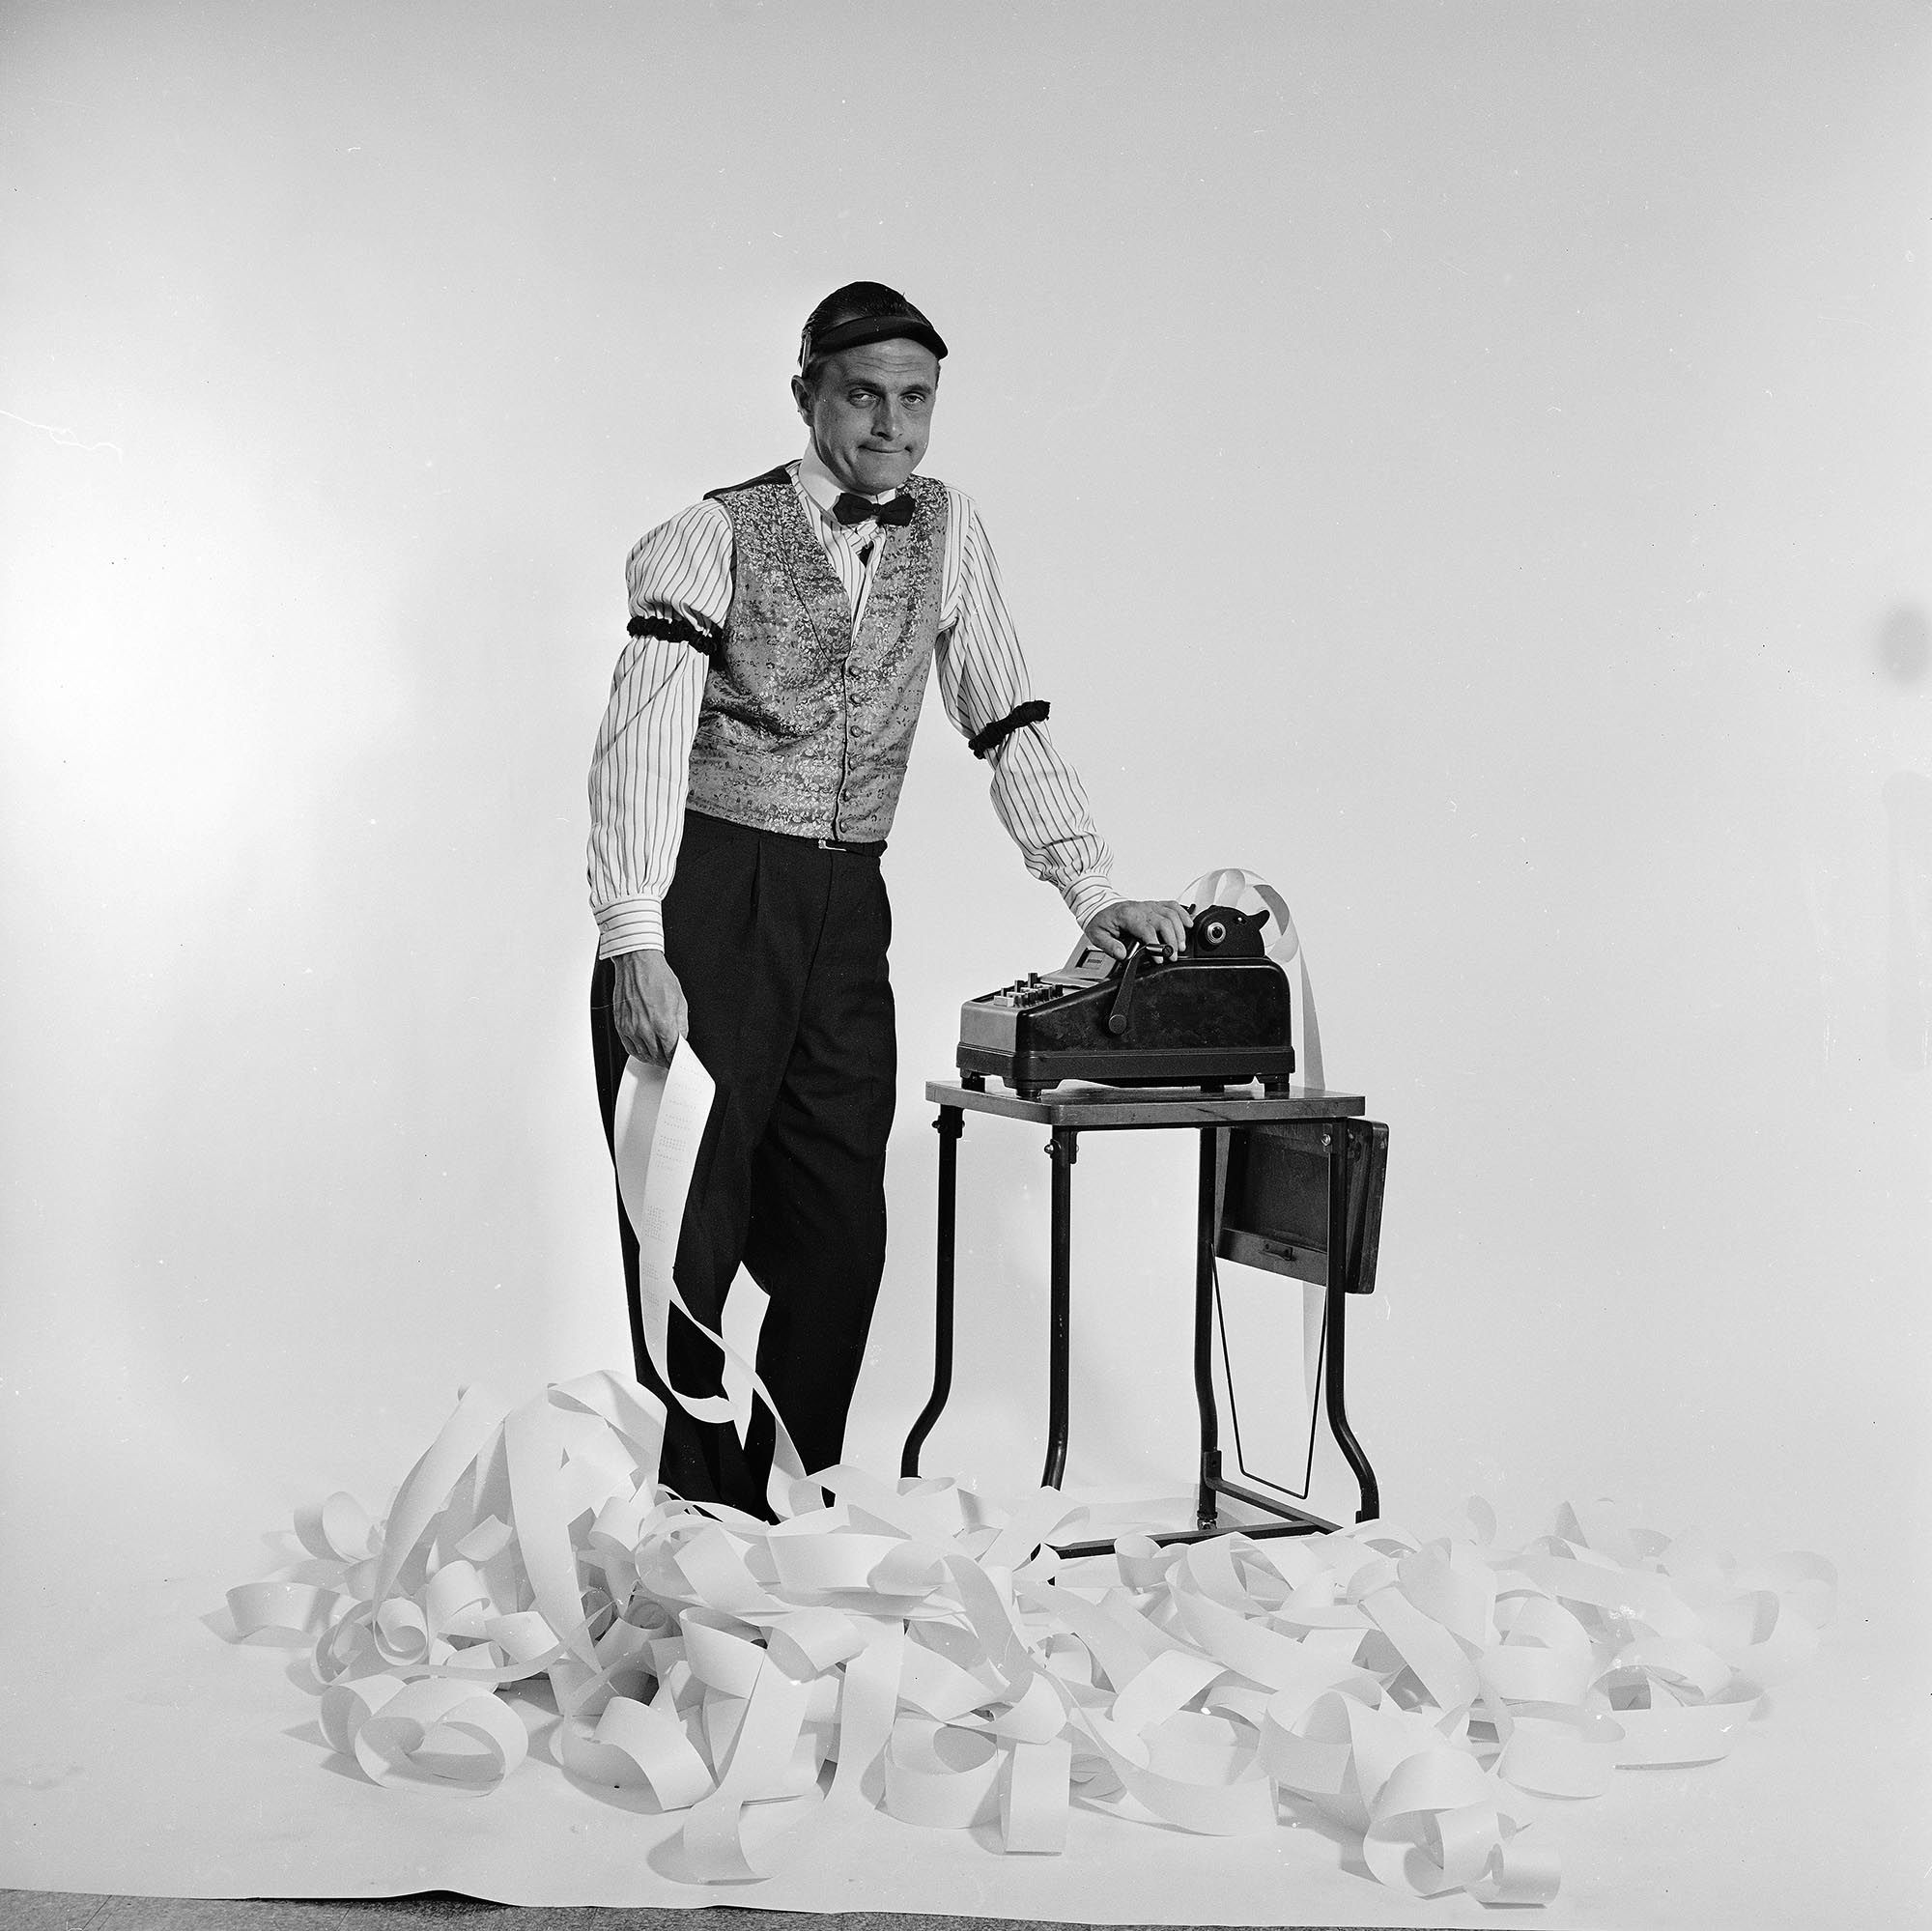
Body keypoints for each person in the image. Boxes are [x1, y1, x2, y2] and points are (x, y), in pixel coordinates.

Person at [586, 281, 1186, 1514]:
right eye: (864, 395)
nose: (893, 427)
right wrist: (634, 939)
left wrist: (1091, 891)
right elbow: (636, 744)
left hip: (844, 911)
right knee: (687, 1222)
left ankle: (792, 1516)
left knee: (837, 1235)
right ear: (806, 391)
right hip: (708, 896)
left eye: (916, 400)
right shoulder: (711, 533)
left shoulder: (949, 531)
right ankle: (696, 1525)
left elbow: (1004, 719)